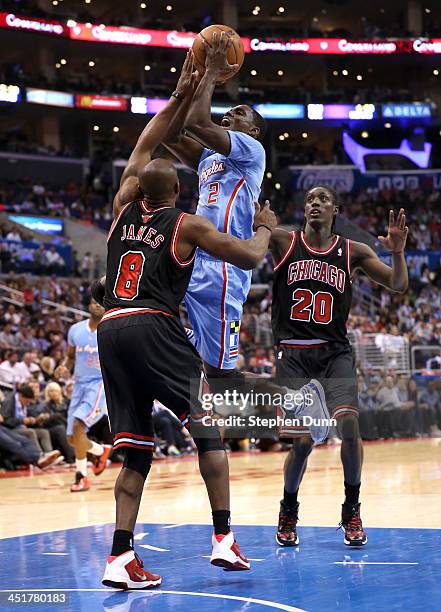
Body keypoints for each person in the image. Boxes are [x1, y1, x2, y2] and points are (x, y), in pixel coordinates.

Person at [93, 53, 277, 590]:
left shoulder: (128, 201)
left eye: (239, 114)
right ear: (172, 190)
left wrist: (193, 84)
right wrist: (202, 81)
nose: (230, 118)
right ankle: (223, 539)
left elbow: (162, 139)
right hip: (174, 298)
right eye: (230, 112)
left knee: (141, 444)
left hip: (143, 312)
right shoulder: (189, 214)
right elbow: (185, 132)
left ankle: (120, 556)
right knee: (206, 421)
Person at [269, 186, 409, 547]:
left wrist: (397, 252)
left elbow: (398, 284)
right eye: (310, 200)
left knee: (349, 424)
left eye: (323, 200)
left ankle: (351, 509)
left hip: (334, 353)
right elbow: (244, 249)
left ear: (336, 210)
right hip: (294, 355)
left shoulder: (353, 252)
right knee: (301, 442)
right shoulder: (284, 241)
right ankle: (288, 509)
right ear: (304, 210)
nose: (315, 203)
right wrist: (258, 226)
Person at [162, 34, 267, 381]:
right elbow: (171, 136)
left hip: (225, 264)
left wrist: (211, 73)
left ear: (251, 130)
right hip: (194, 255)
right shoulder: (210, 156)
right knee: (151, 317)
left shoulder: (252, 151)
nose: (229, 114)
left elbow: (196, 124)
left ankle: (299, 401)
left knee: (220, 377)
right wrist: (186, 90)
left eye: (238, 113)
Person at [54, 299, 111, 492]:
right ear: (89, 304)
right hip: (78, 385)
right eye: (95, 301)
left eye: (102, 302)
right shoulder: (75, 330)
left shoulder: (110, 330)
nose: (98, 305)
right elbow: (70, 357)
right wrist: (64, 367)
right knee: (72, 438)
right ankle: (100, 451)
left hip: (99, 386)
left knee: (79, 426)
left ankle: (81, 477)